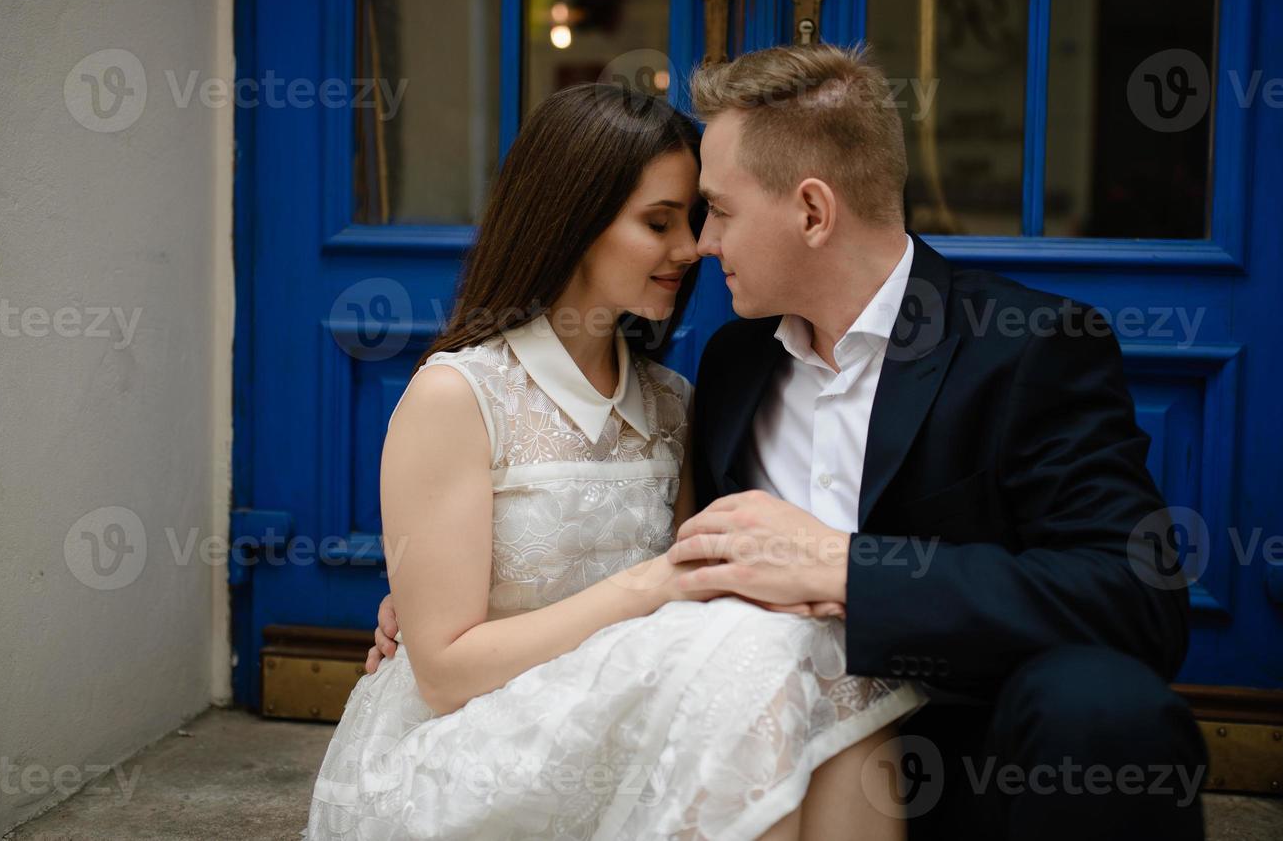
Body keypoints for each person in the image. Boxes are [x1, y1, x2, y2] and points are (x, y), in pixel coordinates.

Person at [370, 44, 1211, 840]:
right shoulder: (732, 368)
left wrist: (844, 568)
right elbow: (638, 548)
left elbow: (1134, 597)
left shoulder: (1025, 346)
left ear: (812, 210)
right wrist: (449, 597)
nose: (702, 246)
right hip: (747, 729)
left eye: (718, 212)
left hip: (952, 743)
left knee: (1108, 711)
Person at [305, 81, 928, 841]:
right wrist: (653, 582)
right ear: (572, 221)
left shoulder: (674, 403)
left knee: (819, 643)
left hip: (619, 711)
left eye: (695, 220)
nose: (690, 248)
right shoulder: (459, 395)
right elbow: (443, 673)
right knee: (766, 657)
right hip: (475, 740)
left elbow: (692, 618)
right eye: (658, 222)